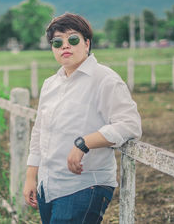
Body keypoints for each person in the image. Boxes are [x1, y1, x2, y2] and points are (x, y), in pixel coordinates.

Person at [23, 13, 142, 224]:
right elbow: (39, 131)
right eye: (57, 42)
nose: (65, 46)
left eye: (73, 39)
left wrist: (84, 143)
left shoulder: (104, 79)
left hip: (85, 185)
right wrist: (31, 176)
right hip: (48, 186)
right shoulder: (51, 84)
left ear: (87, 43)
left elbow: (129, 124)